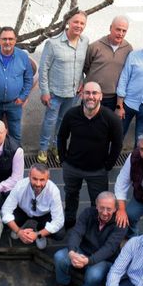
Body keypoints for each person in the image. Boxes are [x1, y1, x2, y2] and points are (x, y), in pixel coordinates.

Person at [57, 82, 123, 229]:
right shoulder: (72, 114)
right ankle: (69, 220)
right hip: (72, 167)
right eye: (87, 93)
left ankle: (94, 225)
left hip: (97, 171)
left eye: (94, 93)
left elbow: (118, 145)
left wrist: (108, 166)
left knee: (98, 201)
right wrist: (63, 160)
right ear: (82, 95)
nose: (90, 96)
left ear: (101, 96)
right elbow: (61, 137)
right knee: (71, 195)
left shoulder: (111, 118)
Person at [50, 192, 125, 286]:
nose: (105, 212)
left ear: (115, 209)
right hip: (84, 250)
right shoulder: (88, 213)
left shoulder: (120, 223)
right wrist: (72, 252)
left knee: (94, 275)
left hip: (104, 259)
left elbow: (109, 248)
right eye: (101, 208)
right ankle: (64, 282)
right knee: (59, 257)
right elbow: (76, 233)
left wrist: (89, 261)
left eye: (109, 209)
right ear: (96, 206)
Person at [38, 11, 89, 162]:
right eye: (76, 22)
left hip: (74, 92)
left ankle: (57, 146)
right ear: (68, 22)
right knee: (50, 121)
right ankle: (43, 149)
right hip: (55, 92)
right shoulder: (53, 43)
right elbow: (43, 69)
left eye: (82, 23)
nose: (78, 26)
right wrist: (45, 92)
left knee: (64, 121)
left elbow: (80, 66)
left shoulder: (84, 41)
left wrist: (82, 82)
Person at [0, 27, 32, 144]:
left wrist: (22, 97)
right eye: (4, 39)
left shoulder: (23, 57)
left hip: (14, 103)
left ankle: (15, 159)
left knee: (15, 134)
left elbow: (28, 78)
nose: (7, 42)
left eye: (10, 39)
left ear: (15, 40)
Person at [1, 163, 65, 250]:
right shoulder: (20, 185)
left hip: (44, 216)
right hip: (22, 211)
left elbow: (58, 221)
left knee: (59, 233)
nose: (38, 184)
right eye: (35, 179)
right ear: (29, 176)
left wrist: (37, 235)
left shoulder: (53, 191)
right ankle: (21, 228)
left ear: (48, 179)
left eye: (42, 180)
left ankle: (40, 233)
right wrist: (18, 232)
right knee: (3, 222)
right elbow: (5, 210)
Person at [83, 16, 133, 111]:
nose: (120, 34)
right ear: (110, 28)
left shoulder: (128, 49)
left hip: (112, 98)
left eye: (124, 31)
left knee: (106, 125)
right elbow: (86, 67)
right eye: (118, 29)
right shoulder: (95, 46)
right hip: (92, 95)